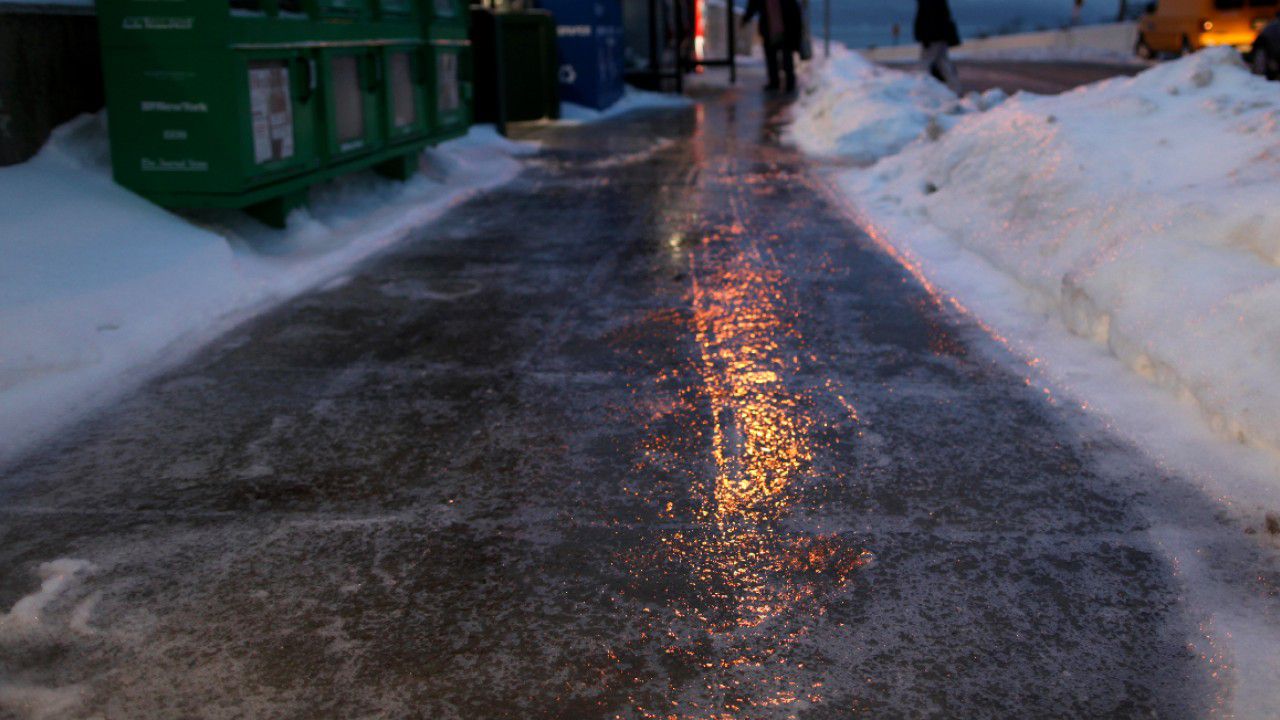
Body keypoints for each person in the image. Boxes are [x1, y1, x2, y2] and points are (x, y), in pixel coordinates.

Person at [743, 0, 804, 92]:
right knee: (773, 58)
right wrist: (746, 18)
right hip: (771, 29)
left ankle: (787, 84)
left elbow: (794, 12)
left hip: (785, 30)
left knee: (785, 58)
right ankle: (776, 83)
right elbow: (753, 5)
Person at [914, 0, 962, 94]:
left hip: (932, 37)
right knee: (943, 63)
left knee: (925, 65)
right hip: (941, 35)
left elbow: (925, 17)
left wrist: (924, 36)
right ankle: (955, 89)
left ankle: (923, 91)